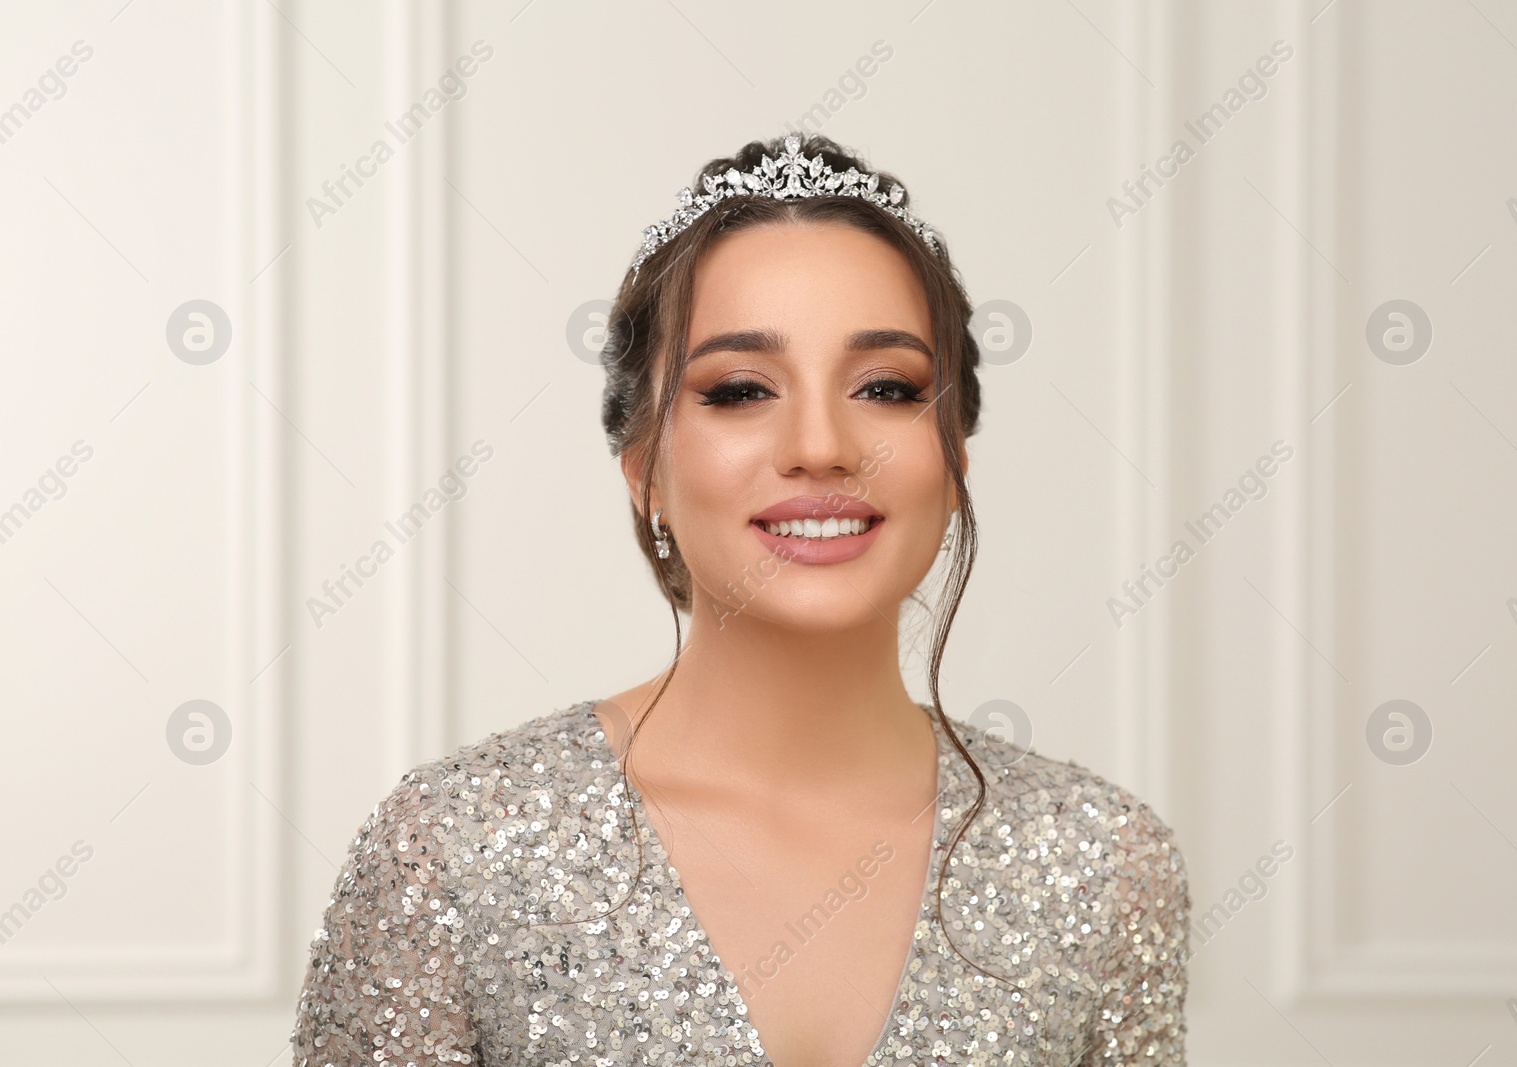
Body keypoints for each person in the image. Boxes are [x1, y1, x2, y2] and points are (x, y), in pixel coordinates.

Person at [290, 133, 1189, 1066]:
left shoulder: (1104, 862)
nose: (821, 444)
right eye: (741, 388)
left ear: (954, 456)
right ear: (645, 469)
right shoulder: (455, 848)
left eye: (886, 386)